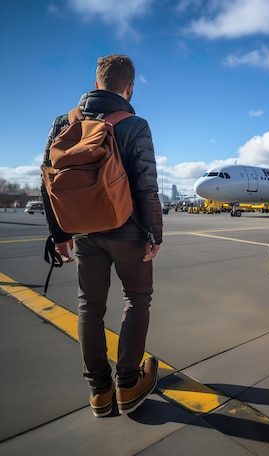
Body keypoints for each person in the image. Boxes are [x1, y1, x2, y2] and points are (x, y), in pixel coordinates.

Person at [41, 54, 163, 417]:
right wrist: (154, 234)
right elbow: (146, 186)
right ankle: (128, 383)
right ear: (129, 87)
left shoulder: (63, 122)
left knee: (89, 308)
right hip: (126, 230)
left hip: (83, 232)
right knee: (137, 299)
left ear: (96, 84)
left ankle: (99, 392)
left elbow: (47, 179)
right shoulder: (134, 123)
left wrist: (59, 233)